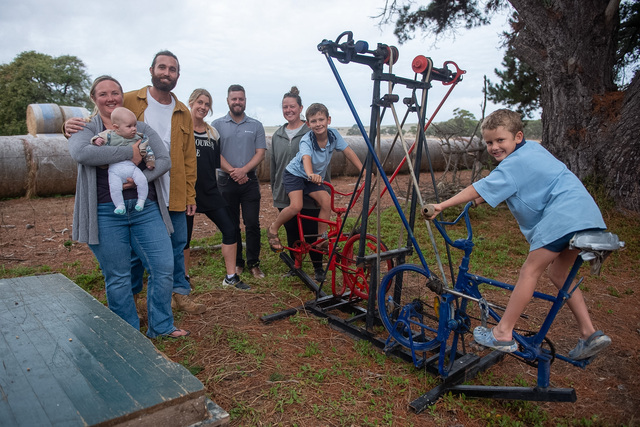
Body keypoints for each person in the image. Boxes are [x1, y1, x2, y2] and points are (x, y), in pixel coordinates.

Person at [427, 109, 611, 360]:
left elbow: (479, 186)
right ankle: (589, 333)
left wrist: (441, 205)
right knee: (558, 274)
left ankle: (503, 332)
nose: (494, 147)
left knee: (530, 271)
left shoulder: (512, 165)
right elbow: (527, 182)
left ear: (518, 136)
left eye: (500, 140)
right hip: (586, 216)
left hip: (562, 218)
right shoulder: (534, 150)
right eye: (489, 142)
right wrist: (485, 197)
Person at [67, 75, 189, 338]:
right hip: (105, 211)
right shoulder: (86, 128)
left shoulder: (140, 127)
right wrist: (130, 153)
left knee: (163, 266)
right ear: (93, 98)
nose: (110, 98)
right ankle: (128, 334)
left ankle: (161, 326)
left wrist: (140, 177)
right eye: (103, 94)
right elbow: (82, 153)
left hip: (146, 209)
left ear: (122, 96)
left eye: (115, 92)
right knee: (118, 275)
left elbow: (164, 160)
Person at [123, 51, 205, 315]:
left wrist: (190, 195)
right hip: (140, 190)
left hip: (174, 189)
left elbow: (189, 158)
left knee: (178, 243)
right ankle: (135, 299)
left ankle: (179, 294)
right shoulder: (129, 100)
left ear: (178, 75)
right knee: (137, 249)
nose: (166, 73)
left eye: (172, 69)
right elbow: (101, 124)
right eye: (162, 67)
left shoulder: (182, 112)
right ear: (151, 70)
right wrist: (70, 127)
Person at [267, 103, 363, 253]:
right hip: (295, 175)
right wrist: (311, 174)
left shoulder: (334, 135)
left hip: (312, 177)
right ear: (308, 124)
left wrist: (363, 170)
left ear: (328, 120)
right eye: (313, 121)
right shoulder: (307, 140)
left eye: (321, 119)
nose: (318, 124)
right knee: (296, 206)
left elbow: (348, 151)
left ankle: (321, 239)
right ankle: (273, 228)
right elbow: (306, 158)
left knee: (326, 201)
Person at [185, 88, 250, 290]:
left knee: (230, 229)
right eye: (200, 103)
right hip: (186, 192)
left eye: (207, 104)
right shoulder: (181, 129)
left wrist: (233, 171)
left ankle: (231, 277)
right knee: (183, 238)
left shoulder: (212, 133)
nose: (203, 107)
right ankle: (183, 279)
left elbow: (216, 160)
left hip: (210, 191)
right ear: (191, 103)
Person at [270, 87, 325, 282]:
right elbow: (274, 166)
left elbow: (322, 161)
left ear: (300, 108)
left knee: (311, 231)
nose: (289, 110)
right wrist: (275, 190)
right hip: (284, 192)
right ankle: (296, 265)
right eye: (285, 107)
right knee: (292, 231)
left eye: (292, 106)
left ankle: (318, 268)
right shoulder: (277, 135)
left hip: (309, 191)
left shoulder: (310, 132)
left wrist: (321, 187)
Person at [212, 85, 267, 279]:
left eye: (240, 99)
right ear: (228, 101)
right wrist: (233, 171)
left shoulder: (256, 125)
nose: (237, 102)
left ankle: (254, 264)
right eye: (234, 99)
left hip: (249, 181)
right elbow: (215, 153)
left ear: (245, 101)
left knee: (252, 223)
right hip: (226, 182)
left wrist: (243, 170)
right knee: (231, 224)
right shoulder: (216, 125)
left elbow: (260, 153)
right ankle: (237, 263)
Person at [92, 106, 153, 214]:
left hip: (132, 168)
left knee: (142, 181)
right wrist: (96, 140)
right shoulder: (108, 135)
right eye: (129, 126)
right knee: (114, 187)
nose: (134, 129)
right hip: (114, 170)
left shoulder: (138, 137)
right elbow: (95, 141)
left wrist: (150, 161)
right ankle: (120, 205)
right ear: (116, 127)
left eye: (135, 125)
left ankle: (141, 201)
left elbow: (147, 149)